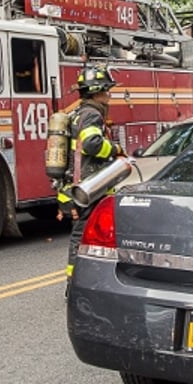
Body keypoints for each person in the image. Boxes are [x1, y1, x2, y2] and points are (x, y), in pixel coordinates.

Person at [58, 63, 128, 288]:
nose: (109, 95)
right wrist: (115, 149)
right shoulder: (91, 115)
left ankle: (88, 280)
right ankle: (75, 284)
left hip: (77, 186)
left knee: (88, 235)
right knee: (83, 237)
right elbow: (91, 144)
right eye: (106, 90)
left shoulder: (78, 114)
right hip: (89, 188)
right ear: (97, 92)